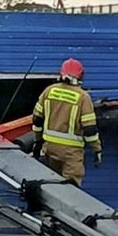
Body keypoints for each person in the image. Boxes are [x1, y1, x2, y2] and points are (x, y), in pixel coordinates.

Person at [32, 58, 101, 186]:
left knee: (52, 186)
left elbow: (37, 120)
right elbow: (90, 130)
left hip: (50, 148)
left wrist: (37, 142)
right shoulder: (83, 97)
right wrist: (97, 149)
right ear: (80, 75)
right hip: (71, 153)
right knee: (71, 191)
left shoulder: (49, 91)